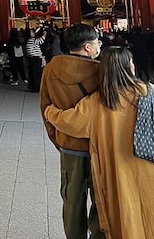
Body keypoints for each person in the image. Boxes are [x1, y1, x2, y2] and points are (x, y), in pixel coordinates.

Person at [44, 47, 154, 239]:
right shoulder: (146, 91)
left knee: (125, 217)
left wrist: (49, 111)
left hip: (117, 172)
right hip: (152, 167)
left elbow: (69, 122)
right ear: (130, 66)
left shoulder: (98, 100)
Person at [39, 24, 104, 239]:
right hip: (99, 145)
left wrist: (58, 138)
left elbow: (45, 107)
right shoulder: (101, 70)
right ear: (87, 47)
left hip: (68, 145)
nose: (98, 46)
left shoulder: (50, 69)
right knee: (101, 198)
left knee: (72, 199)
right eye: (97, 42)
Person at [25, 26, 46, 92]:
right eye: (32, 32)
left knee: (32, 73)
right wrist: (44, 34)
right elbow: (41, 41)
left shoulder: (28, 41)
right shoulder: (33, 40)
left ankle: (32, 86)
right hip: (36, 59)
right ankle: (37, 87)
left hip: (31, 58)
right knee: (37, 73)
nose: (33, 33)